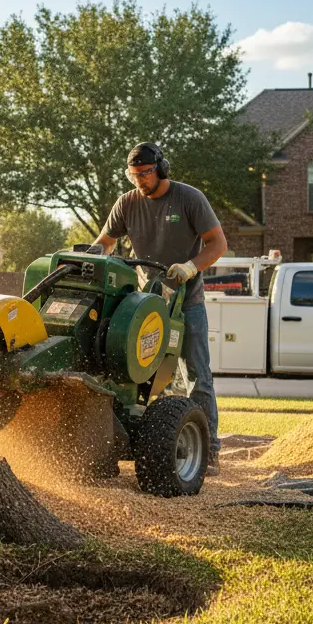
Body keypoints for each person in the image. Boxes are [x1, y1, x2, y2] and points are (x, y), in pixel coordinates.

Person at [93, 142, 228, 474]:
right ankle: (154, 441)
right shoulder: (127, 203)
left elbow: (218, 244)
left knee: (198, 375)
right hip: (147, 303)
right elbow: (105, 242)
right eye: (133, 175)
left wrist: (190, 267)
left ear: (161, 168)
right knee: (141, 374)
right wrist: (87, 257)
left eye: (145, 173)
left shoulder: (189, 198)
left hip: (187, 301)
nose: (139, 180)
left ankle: (208, 449)